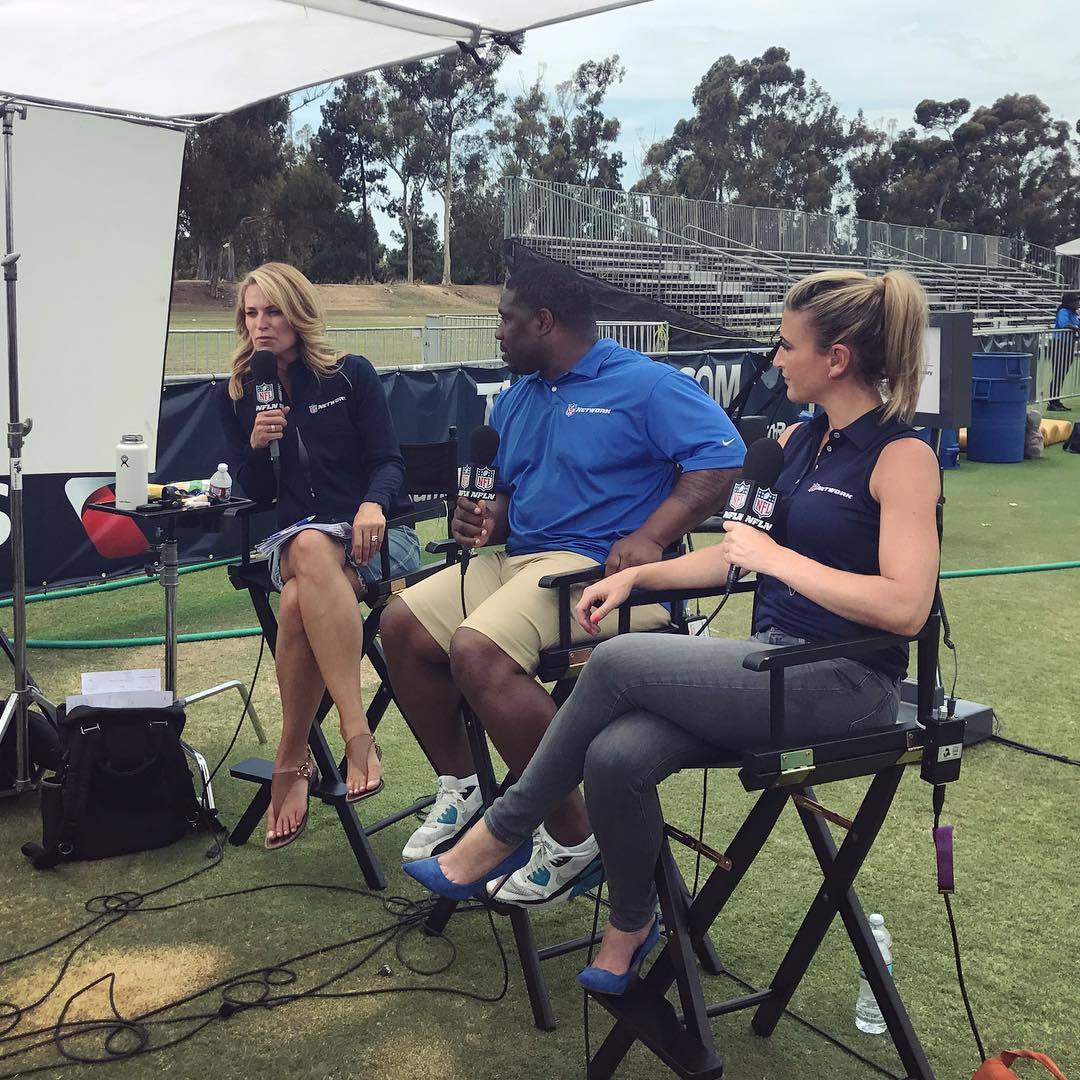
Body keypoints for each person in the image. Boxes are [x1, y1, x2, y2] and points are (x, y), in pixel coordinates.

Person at [404, 268, 941, 993]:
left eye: (787, 346)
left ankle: (500, 832)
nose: (775, 359)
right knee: (615, 756)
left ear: (836, 358)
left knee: (619, 661)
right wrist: (639, 576)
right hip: (772, 662)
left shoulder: (904, 458)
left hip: (849, 682)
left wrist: (777, 559)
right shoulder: (795, 441)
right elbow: (735, 555)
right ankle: (632, 923)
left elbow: (906, 607)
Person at [381, 262, 745, 904]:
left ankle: (576, 835)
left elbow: (721, 459)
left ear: (543, 322)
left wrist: (652, 535)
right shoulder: (518, 396)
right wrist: (484, 520)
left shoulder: (645, 383)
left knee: (477, 650)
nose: (498, 333)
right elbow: (510, 499)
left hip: (607, 578)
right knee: (400, 625)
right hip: (523, 561)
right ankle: (464, 786)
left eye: (506, 319)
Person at [221, 262, 420, 849]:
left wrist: (372, 505)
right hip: (298, 541)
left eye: (272, 311)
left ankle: (292, 756)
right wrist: (256, 448)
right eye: (251, 314)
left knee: (293, 605)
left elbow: (389, 461)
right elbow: (256, 492)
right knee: (306, 546)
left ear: (298, 312)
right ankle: (357, 733)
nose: (260, 324)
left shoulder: (351, 375)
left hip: (372, 536)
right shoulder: (240, 394)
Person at [1047, 291, 1080, 411]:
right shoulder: (1063, 312)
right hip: (1060, 344)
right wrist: (1076, 328)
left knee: (1061, 374)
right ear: (1069, 302)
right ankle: (1052, 402)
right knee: (1058, 374)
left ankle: (1056, 400)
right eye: (1075, 301)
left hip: (1068, 345)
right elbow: (1064, 324)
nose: (1078, 303)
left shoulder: (1074, 314)